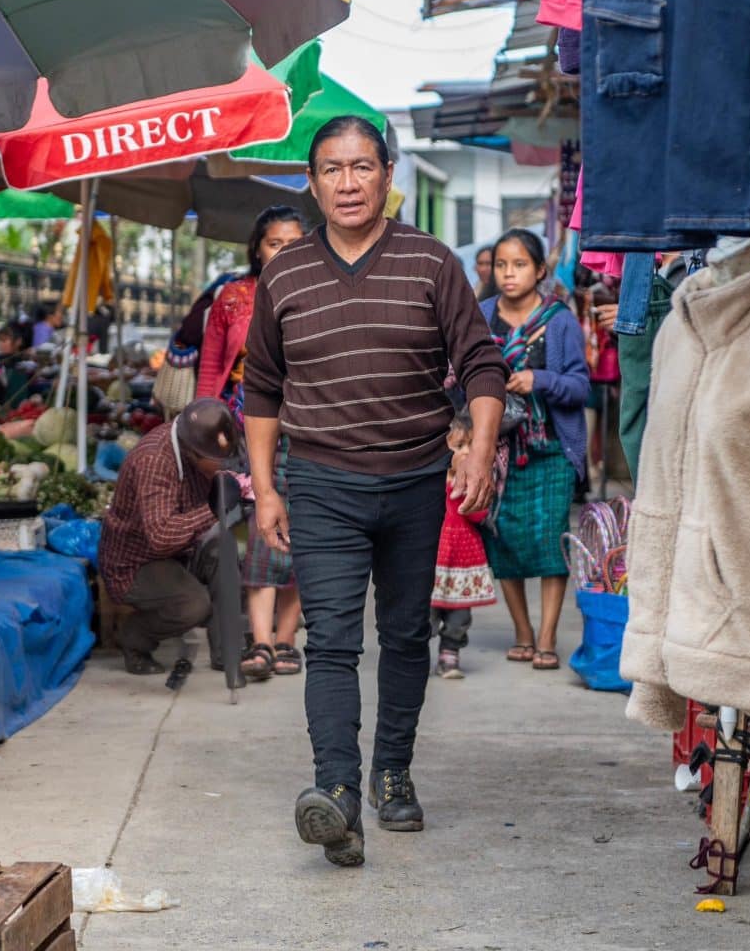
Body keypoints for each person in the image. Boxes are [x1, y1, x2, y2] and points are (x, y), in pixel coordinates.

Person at [243, 115, 507, 867]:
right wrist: (265, 489)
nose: (348, 182)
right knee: (329, 640)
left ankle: (392, 772)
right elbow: (261, 387)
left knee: (403, 635)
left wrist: (478, 449)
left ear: (389, 174)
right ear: (313, 181)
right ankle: (337, 795)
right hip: (322, 483)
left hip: (417, 480)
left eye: (363, 167)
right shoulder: (285, 273)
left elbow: (482, 365)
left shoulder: (430, 262)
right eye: (332, 169)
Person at [197, 206, 308, 681]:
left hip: (307, 433)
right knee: (262, 538)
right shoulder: (233, 297)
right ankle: (259, 641)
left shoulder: (319, 293)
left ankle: (287, 639)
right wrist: (202, 428)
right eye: (274, 243)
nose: (284, 251)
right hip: (243, 434)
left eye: (293, 242)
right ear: (257, 249)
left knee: (305, 539)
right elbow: (210, 366)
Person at [480, 228, 590, 670]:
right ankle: (522, 631)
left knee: (549, 545)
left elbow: (581, 387)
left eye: (520, 264)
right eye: (502, 265)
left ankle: (546, 638)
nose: (509, 274)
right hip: (498, 455)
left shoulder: (560, 320)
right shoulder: (481, 316)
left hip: (550, 453)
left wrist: (538, 380)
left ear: (540, 270)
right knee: (503, 542)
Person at [99, 398, 240, 676]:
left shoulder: (195, 448)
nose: (223, 464)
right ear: (193, 452)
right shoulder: (154, 461)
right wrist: (213, 509)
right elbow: (161, 536)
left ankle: (228, 651)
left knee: (225, 549)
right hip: (135, 563)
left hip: (180, 553)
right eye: (217, 461)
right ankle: (134, 639)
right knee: (193, 605)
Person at [430, 409, 496, 680]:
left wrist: (467, 489)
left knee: (459, 616)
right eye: (459, 446)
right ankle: (413, 655)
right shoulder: (432, 482)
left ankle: (450, 654)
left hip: (462, 562)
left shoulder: (471, 485)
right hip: (434, 561)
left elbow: (478, 515)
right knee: (424, 614)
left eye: (470, 445)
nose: (466, 452)